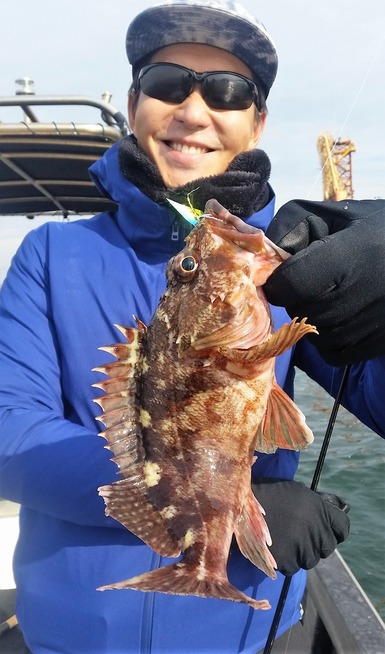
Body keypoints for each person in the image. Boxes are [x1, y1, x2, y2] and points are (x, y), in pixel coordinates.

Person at [0, 1, 384, 652]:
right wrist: (224, 497)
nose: (193, 110)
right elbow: (10, 432)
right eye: (166, 82)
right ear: (132, 101)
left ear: (257, 121)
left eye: (228, 91)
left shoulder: (288, 266)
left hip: (249, 628)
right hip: (75, 632)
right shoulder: (50, 253)